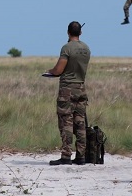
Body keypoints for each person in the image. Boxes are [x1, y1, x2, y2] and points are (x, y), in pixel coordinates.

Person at [44, 21, 91, 166]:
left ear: (68, 32)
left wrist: (50, 71)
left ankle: (66, 155)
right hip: (81, 87)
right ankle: (81, 155)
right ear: (80, 33)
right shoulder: (86, 48)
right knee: (80, 122)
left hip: (67, 89)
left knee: (66, 122)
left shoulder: (67, 48)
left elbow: (59, 70)